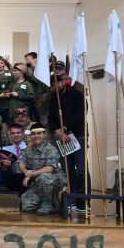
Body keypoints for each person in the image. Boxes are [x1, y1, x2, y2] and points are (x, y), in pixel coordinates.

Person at [48, 63, 88, 195]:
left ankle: (85, 198)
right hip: (61, 138)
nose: (56, 86)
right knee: (68, 169)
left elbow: (80, 114)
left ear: (62, 82)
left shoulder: (76, 94)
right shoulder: (53, 98)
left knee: (81, 169)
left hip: (78, 135)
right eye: (52, 85)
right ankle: (74, 196)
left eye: (57, 83)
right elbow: (51, 118)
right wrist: (56, 131)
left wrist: (64, 128)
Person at [19, 123, 65, 215]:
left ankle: (47, 204)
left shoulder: (51, 149)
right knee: (26, 205)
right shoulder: (28, 149)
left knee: (44, 177)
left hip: (55, 180)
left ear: (44, 134)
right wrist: (26, 171)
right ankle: (52, 200)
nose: (36, 136)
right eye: (33, 134)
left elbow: (50, 168)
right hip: (38, 182)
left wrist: (32, 174)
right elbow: (21, 163)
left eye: (39, 133)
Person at [0, 123, 28, 195]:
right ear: (9, 135)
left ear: (23, 134)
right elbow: (3, 170)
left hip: (26, 176)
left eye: (18, 133)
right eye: (13, 133)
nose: (15, 135)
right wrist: (5, 165)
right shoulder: (5, 149)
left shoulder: (29, 147)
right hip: (12, 177)